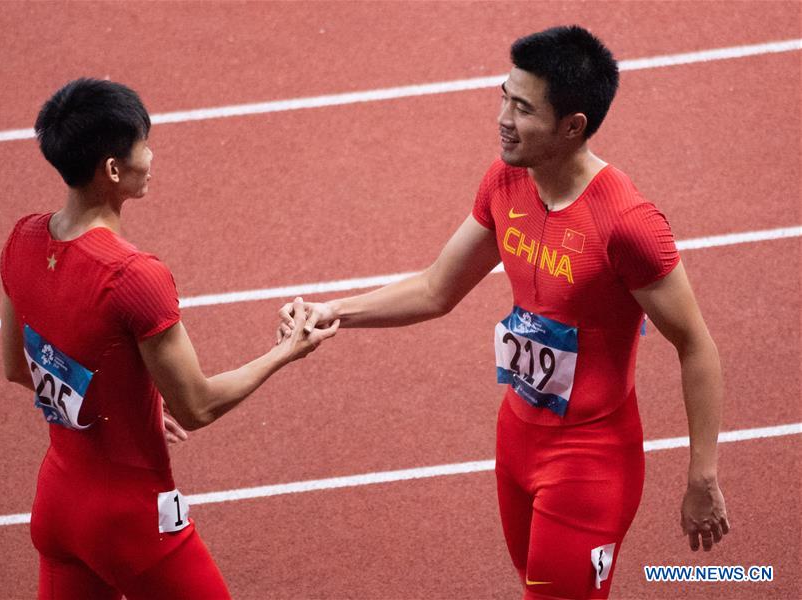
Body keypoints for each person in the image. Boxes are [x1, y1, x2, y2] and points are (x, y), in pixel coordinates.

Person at [278, 25, 729, 600]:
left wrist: (702, 477)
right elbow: (436, 288)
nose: (503, 119)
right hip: (516, 440)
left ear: (573, 127)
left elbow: (698, 346)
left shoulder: (628, 225)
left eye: (523, 108)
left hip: (590, 461)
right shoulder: (506, 179)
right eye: (503, 97)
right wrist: (332, 310)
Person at [0, 78, 338, 600]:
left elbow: (19, 367)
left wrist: (124, 402)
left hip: (58, 503)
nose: (151, 155)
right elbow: (198, 406)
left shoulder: (21, 239)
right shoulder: (134, 275)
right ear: (113, 169)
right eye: (143, 144)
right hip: (131, 521)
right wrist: (285, 351)